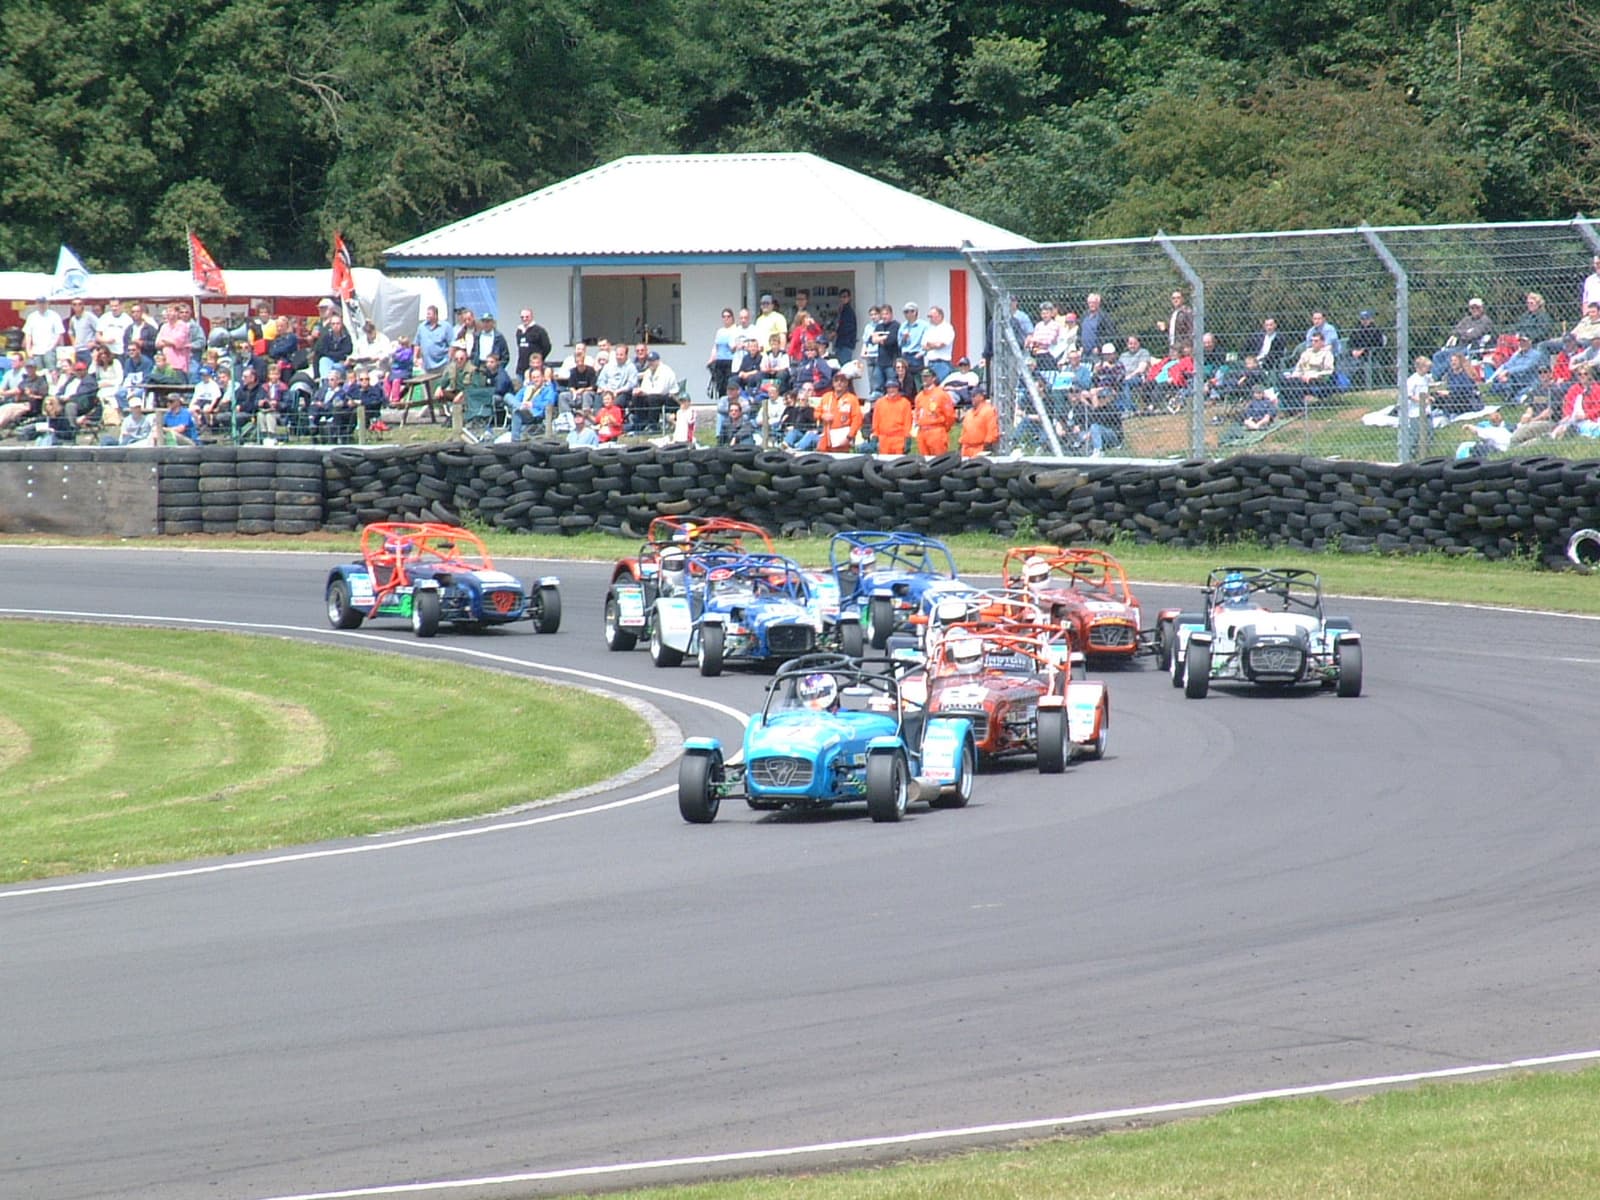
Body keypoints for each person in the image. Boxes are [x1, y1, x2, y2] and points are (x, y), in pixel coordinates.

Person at [1430, 297, 1493, 377]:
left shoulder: (1485, 321)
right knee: (1438, 355)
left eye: (1477, 307)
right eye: (1472, 308)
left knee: (1451, 357)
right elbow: (1455, 331)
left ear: (1482, 308)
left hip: (1471, 347)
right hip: (1459, 346)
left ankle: (1438, 376)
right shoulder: (1466, 320)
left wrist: (1464, 333)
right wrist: (1466, 333)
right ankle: (1435, 377)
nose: (1474, 310)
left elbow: (1475, 334)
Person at [1280, 332, 1336, 413]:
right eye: (1312, 341)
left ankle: (1298, 409)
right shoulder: (1306, 353)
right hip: (1302, 377)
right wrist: (1294, 375)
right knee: (1284, 381)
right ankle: (1288, 408)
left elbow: (1328, 370)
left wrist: (1313, 376)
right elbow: (1299, 367)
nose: (1313, 343)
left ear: (1322, 342)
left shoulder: (1327, 354)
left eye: (1316, 341)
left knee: (1297, 383)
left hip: (1317, 379)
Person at [912, 369, 956, 455]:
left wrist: (942, 428)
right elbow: (917, 415)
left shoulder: (941, 394)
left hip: (936, 431)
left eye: (927, 376)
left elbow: (950, 416)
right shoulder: (919, 396)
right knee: (924, 462)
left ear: (933, 378)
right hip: (922, 432)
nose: (924, 379)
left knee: (938, 461)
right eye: (923, 377)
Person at [815, 375, 865, 452]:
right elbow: (816, 413)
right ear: (833, 383)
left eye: (842, 381)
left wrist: (849, 437)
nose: (839, 383)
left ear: (846, 383)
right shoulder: (826, 397)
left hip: (842, 438)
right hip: (826, 438)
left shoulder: (852, 399)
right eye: (836, 381)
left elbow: (857, 419)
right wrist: (822, 416)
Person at [871, 378, 913, 454]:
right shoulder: (879, 403)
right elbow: (875, 421)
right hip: (883, 439)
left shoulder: (905, 403)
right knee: (883, 463)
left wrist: (907, 438)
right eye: (889, 387)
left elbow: (908, 423)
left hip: (899, 439)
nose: (891, 390)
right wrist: (875, 436)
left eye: (894, 387)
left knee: (898, 464)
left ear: (898, 388)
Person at [1347, 309, 1388, 384]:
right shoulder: (1356, 329)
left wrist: (1362, 351)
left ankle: (1366, 384)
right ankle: (1348, 384)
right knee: (1345, 363)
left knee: (1359, 364)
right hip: (1355, 354)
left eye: (1367, 319)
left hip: (1370, 355)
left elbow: (1376, 344)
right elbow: (1350, 342)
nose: (1364, 321)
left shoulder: (1375, 330)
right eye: (1362, 319)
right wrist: (1353, 351)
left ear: (1371, 319)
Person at [958, 386, 1001, 458]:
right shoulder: (969, 413)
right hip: (966, 450)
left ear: (981, 397)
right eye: (971, 396)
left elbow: (992, 433)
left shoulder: (989, 411)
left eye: (974, 396)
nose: (972, 398)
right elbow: (964, 433)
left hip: (979, 449)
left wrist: (984, 451)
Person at [22, 298, 65, 368]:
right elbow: (28, 334)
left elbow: (59, 333)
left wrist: (52, 347)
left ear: (48, 303)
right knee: (39, 373)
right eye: (40, 303)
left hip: (50, 351)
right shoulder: (31, 317)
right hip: (36, 351)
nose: (42, 305)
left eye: (44, 303)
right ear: (36, 304)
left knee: (51, 373)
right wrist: (28, 350)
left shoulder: (54, 316)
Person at [706, 307, 739, 397]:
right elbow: (716, 347)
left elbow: (735, 346)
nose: (726, 319)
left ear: (732, 317)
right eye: (724, 317)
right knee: (720, 384)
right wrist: (711, 359)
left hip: (730, 361)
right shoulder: (720, 331)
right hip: (720, 361)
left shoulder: (736, 330)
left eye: (728, 316)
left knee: (728, 383)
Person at [514, 308, 552, 378]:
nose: (524, 319)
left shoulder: (539, 331)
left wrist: (538, 359)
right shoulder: (519, 331)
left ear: (531, 317)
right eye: (522, 317)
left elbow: (547, 347)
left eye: (527, 317)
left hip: (535, 370)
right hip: (521, 369)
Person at [415, 305, 452, 375]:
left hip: (443, 365)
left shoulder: (446, 326)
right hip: (427, 366)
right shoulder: (421, 327)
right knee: (429, 385)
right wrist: (415, 358)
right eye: (427, 314)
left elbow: (452, 345)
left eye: (429, 314)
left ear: (435, 315)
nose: (427, 316)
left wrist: (449, 359)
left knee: (442, 385)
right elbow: (417, 344)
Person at [922, 305, 956, 381]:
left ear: (940, 316)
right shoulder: (929, 329)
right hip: (930, 363)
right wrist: (934, 345)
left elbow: (940, 345)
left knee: (940, 387)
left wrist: (931, 345)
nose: (930, 319)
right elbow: (924, 346)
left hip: (942, 364)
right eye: (929, 317)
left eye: (932, 316)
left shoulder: (947, 328)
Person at [781, 385, 819, 450]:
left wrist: (795, 427)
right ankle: (785, 445)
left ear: (807, 401)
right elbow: (785, 423)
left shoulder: (811, 410)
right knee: (793, 432)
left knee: (794, 431)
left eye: (803, 400)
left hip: (804, 433)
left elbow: (811, 425)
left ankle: (794, 447)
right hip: (793, 432)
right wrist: (786, 427)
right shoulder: (793, 410)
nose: (800, 402)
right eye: (799, 400)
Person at [897, 302, 928, 376]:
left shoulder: (924, 325)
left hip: (916, 355)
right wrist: (904, 338)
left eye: (911, 311)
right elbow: (899, 344)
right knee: (906, 380)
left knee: (917, 381)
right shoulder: (903, 326)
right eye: (906, 312)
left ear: (916, 312)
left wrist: (921, 353)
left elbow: (927, 342)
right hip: (905, 355)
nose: (909, 314)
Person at [832, 288, 857, 360]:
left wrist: (836, 333)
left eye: (845, 297)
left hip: (845, 343)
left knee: (845, 367)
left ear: (849, 298)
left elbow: (847, 327)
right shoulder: (842, 310)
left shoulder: (848, 311)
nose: (843, 299)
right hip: (841, 343)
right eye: (841, 297)